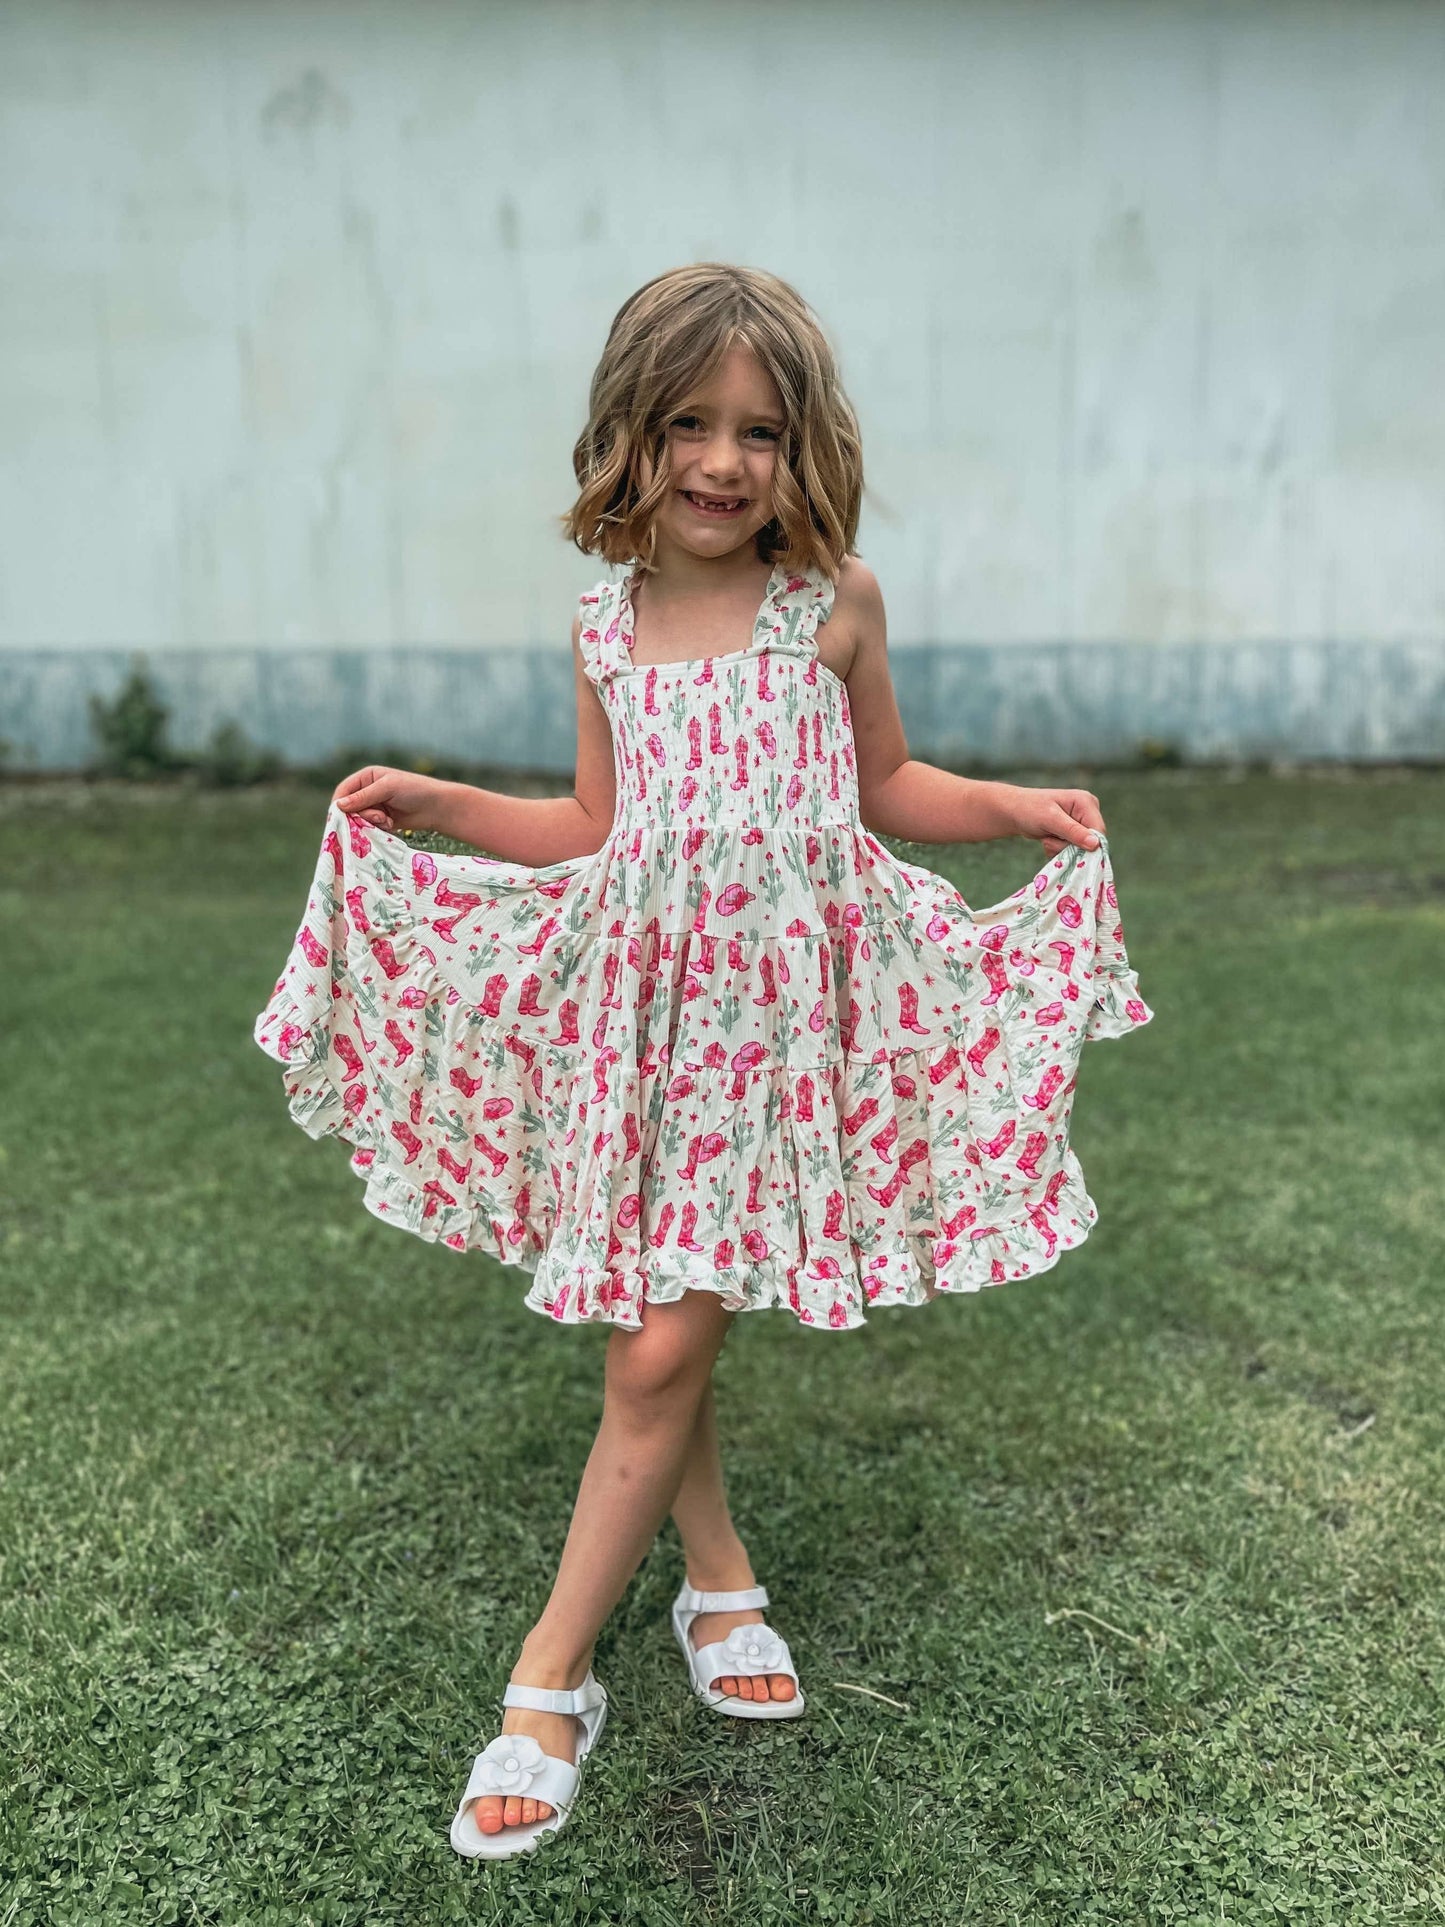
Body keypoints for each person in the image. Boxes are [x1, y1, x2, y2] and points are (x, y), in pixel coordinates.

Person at [253, 262, 1154, 1859]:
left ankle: (549, 1678)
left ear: (802, 447)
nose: (723, 463)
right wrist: (446, 805)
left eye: (758, 431)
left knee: (658, 1347)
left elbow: (885, 784)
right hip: (648, 1028)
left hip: (785, 1034)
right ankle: (712, 1582)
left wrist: (1008, 807)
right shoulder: (606, 622)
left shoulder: (831, 604)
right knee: (660, 1332)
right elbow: (593, 825)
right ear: (630, 432)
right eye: (688, 424)